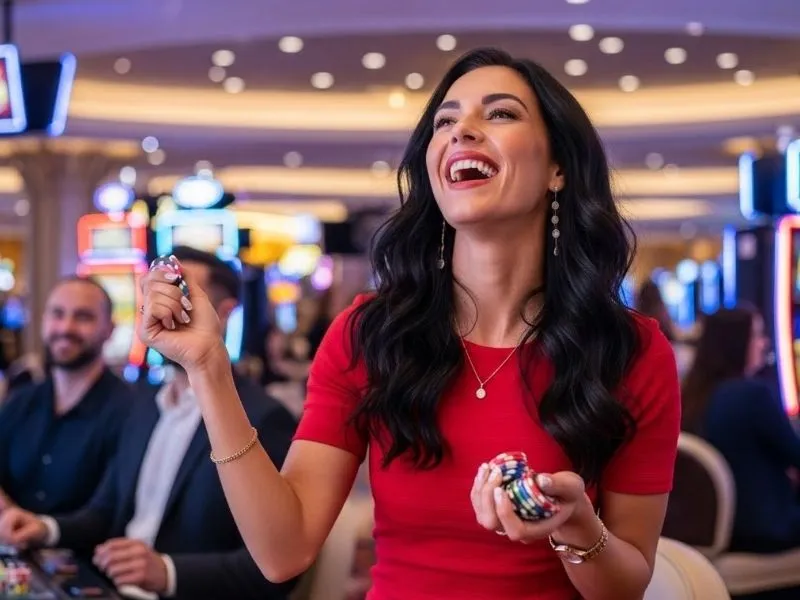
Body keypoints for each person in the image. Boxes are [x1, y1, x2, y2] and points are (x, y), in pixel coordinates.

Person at [135, 48, 680, 600]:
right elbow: (283, 551)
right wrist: (209, 368)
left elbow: (625, 587)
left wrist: (576, 526)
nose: (461, 131)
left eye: (499, 114)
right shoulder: (370, 334)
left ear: (558, 168)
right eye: (445, 121)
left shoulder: (630, 350)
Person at [0, 247, 298, 600]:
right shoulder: (144, 402)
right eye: (155, 296)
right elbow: (105, 510)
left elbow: (279, 568)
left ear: (225, 313)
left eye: (179, 296)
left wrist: (167, 572)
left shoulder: (265, 417)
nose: (160, 311)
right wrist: (45, 529)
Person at [0, 276, 132, 514]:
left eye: (83, 317)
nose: (65, 328)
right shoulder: (20, 401)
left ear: (109, 330)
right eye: (57, 314)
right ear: (43, 322)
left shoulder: (130, 411)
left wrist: (43, 529)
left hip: (86, 550)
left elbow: (110, 511)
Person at [681, 306, 800, 555]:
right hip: (763, 530)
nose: (764, 342)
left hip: (710, 531)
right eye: (756, 334)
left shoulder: (690, 395)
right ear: (736, 342)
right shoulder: (752, 395)